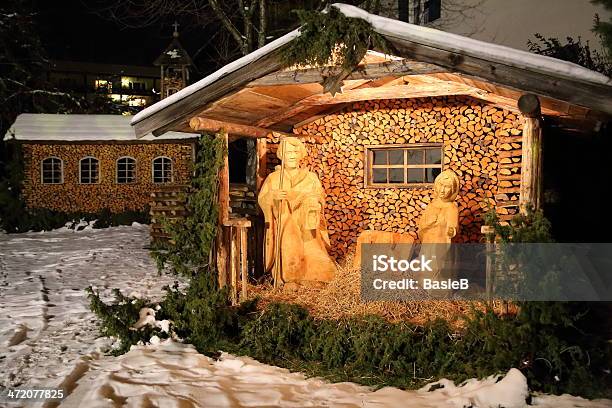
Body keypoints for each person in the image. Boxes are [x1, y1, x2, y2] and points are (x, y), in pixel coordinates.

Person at [258, 137, 336, 286]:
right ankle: (289, 280)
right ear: (282, 155)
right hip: (286, 224)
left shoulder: (311, 177)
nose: (292, 155)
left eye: (295, 152)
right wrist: (272, 196)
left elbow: (320, 197)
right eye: (288, 152)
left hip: (307, 226)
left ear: (300, 154)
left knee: (313, 252)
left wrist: (308, 200)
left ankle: (316, 279)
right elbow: (262, 200)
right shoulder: (274, 178)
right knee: (289, 250)